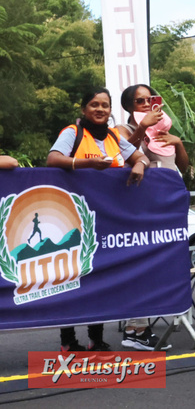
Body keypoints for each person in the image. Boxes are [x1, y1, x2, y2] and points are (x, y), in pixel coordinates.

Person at [46, 87, 150, 351]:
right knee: (71, 279)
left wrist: (139, 164)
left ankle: (96, 338)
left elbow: (139, 156)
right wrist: (88, 164)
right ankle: (68, 341)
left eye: (105, 105)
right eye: (94, 104)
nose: (100, 109)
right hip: (73, 220)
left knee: (100, 279)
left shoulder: (114, 136)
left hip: (106, 219)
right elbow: (53, 159)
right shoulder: (73, 133)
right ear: (84, 109)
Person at [114, 84, 189, 350]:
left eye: (151, 99)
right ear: (128, 106)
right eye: (140, 101)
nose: (147, 104)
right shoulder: (123, 130)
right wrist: (142, 128)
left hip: (168, 205)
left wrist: (178, 143)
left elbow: (183, 167)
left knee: (160, 265)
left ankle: (138, 327)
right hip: (141, 207)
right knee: (142, 265)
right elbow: (121, 155)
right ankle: (136, 328)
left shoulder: (163, 130)